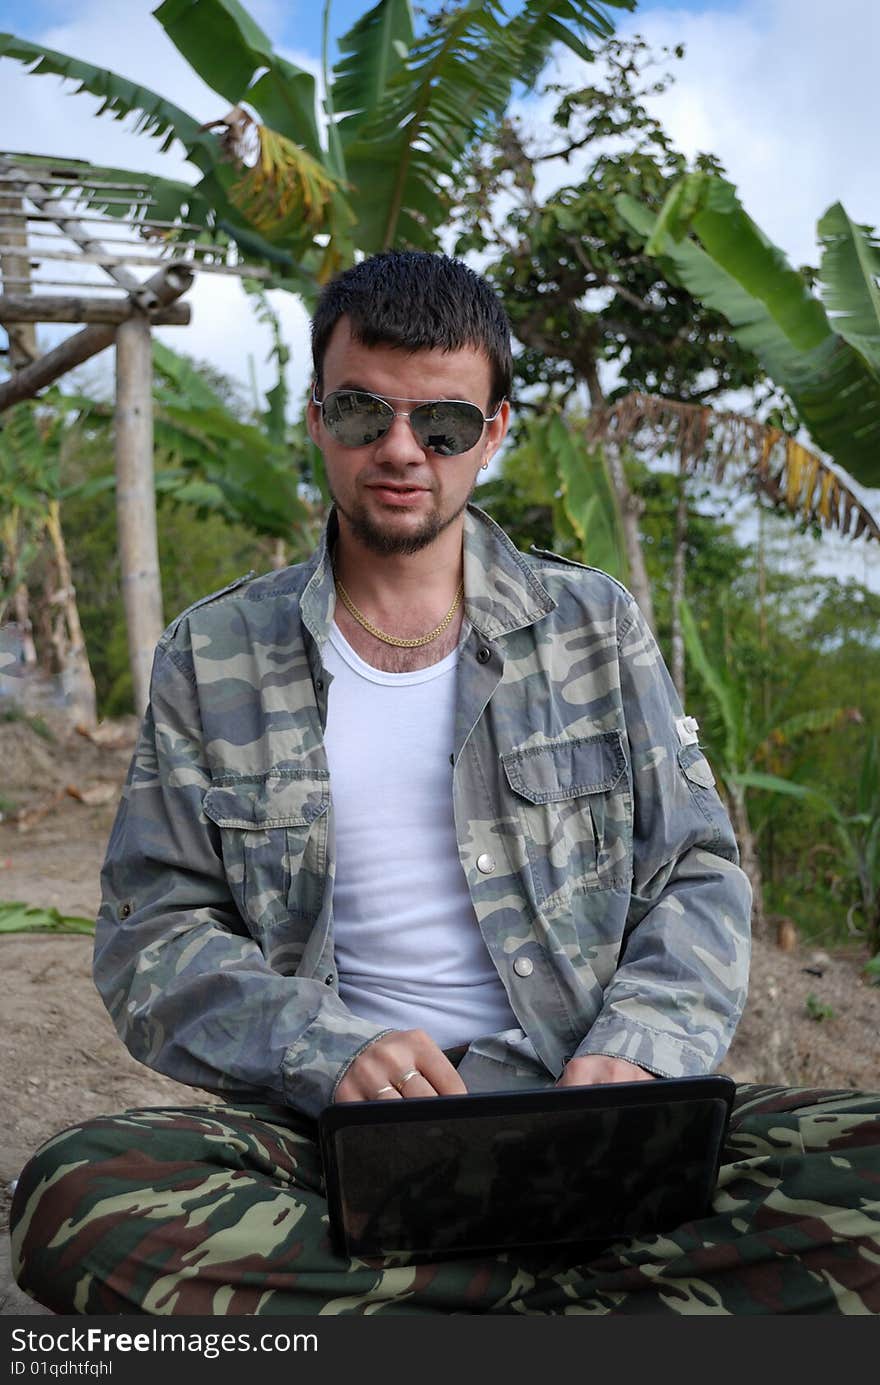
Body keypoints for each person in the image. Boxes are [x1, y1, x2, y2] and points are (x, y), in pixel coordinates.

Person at [10, 251, 880, 1316]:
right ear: (318, 414)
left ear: (496, 431)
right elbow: (151, 928)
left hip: (589, 1110)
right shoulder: (213, 651)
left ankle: (424, 1307)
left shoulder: (592, 626)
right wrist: (329, 1048)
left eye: (444, 426)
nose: (399, 450)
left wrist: (636, 1053)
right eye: (361, 410)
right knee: (79, 1196)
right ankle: (589, 1300)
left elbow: (694, 869)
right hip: (330, 1142)